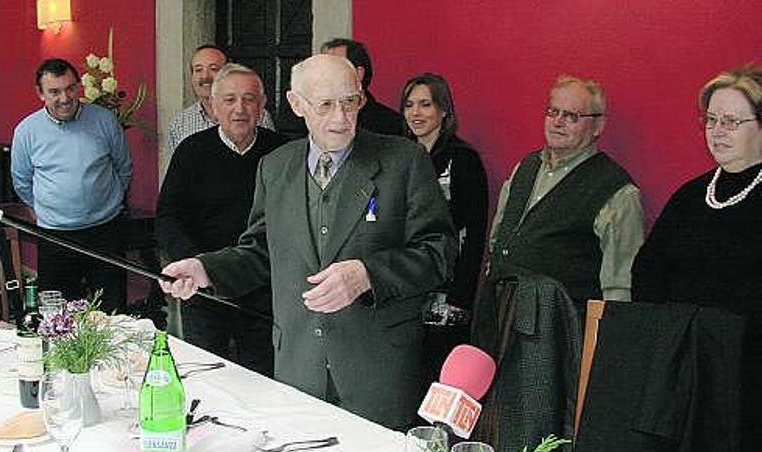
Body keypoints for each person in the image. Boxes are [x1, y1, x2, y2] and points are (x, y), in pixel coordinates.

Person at [159, 54, 456, 429]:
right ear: (296, 104)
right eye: (326, 105)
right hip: (298, 367)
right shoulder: (276, 166)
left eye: (350, 102)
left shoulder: (403, 161)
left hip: (377, 372)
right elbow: (261, 252)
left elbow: (439, 251)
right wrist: (206, 268)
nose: (341, 117)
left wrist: (368, 274)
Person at [631, 63, 762, 452]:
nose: (717, 131)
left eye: (731, 121)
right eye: (711, 120)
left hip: (745, 387)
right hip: (681, 379)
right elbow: (647, 270)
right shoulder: (691, 195)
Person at [156, 64, 288, 377]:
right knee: (208, 376)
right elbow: (168, 217)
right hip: (205, 289)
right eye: (229, 100)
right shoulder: (192, 151)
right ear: (214, 107)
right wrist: (195, 263)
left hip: (265, 291)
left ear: (262, 104)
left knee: (264, 379)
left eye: (248, 99)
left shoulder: (282, 153)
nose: (239, 109)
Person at [487, 75, 644, 304]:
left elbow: (619, 291)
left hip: (564, 328)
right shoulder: (526, 167)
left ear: (598, 126)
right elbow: (498, 240)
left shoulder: (618, 193)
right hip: (502, 317)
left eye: (571, 116)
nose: (557, 122)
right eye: (553, 112)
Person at [11, 58, 132, 311]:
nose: (65, 98)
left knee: (112, 311)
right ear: (40, 94)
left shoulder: (105, 120)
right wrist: (43, 209)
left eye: (70, 88)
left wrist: (111, 201)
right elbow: (21, 181)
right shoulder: (26, 131)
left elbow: (123, 167)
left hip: (105, 232)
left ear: (78, 87)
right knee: (57, 317)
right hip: (55, 237)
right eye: (54, 92)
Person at [400, 73, 488, 387]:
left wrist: (460, 297)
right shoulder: (399, 157)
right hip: (404, 288)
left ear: (444, 111)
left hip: (446, 293)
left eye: (426, 104)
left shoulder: (463, 160)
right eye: (409, 105)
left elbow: (476, 233)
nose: (416, 113)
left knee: (438, 382)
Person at [167, 45, 275, 154]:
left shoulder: (258, 116)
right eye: (198, 70)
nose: (205, 76)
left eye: (213, 69)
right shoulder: (180, 123)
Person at [321, 38, 403, 136]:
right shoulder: (311, 117)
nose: (324, 74)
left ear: (358, 73)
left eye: (334, 67)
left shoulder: (390, 123)